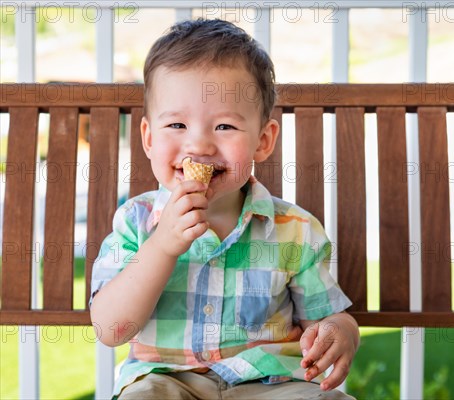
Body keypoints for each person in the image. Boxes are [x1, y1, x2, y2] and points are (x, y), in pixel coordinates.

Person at [90, 18, 359, 399]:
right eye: (178, 124)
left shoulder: (294, 229)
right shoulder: (136, 222)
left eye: (225, 127)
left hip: (270, 383)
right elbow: (110, 329)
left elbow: (326, 315)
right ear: (149, 138)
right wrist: (162, 246)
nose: (198, 144)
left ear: (263, 141)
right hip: (168, 380)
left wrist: (341, 331)